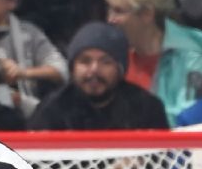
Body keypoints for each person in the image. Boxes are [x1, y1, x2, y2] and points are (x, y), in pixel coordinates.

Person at [28, 21, 168, 130]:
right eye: (85, 61)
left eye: (105, 62)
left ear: (120, 69)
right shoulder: (51, 109)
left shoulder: (147, 107)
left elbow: (162, 159)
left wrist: (139, 162)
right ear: (73, 68)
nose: (94, 70)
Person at [105, 0, 202, 126]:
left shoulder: (191, 58)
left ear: (147, 14)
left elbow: (193, 122)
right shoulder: (112, 55)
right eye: (110, 9)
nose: (110, 19)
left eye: (118, 11)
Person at [0, 0, 68, 118]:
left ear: (11, 2)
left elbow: (62, 70)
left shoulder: (29, 33)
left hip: (25, 113)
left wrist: (23, 72)